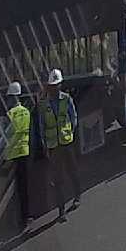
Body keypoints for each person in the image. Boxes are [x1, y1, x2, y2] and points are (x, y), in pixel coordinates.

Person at [37, 69, 81, 221]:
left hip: (66, 142)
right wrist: (45, 145)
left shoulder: (66, 99)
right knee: (58, 178)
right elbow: (42, 126)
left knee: (72, 171)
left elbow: (73, 117)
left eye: (57, 85)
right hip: (53, 146)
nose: (55, 88)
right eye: (52, 86)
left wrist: (70, 133)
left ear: (60, 85)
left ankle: (77, 196)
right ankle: (61, 210)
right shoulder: (44, 105)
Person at [4, 82, 33, 226]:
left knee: (17, 189)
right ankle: (28, 215)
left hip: (13, 153)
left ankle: (20, 218)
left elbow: (6, 134)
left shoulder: (10, 114)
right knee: (25, 186)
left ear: (12, 97)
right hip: (25, 151)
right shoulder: (26, 111)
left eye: (9, 97)